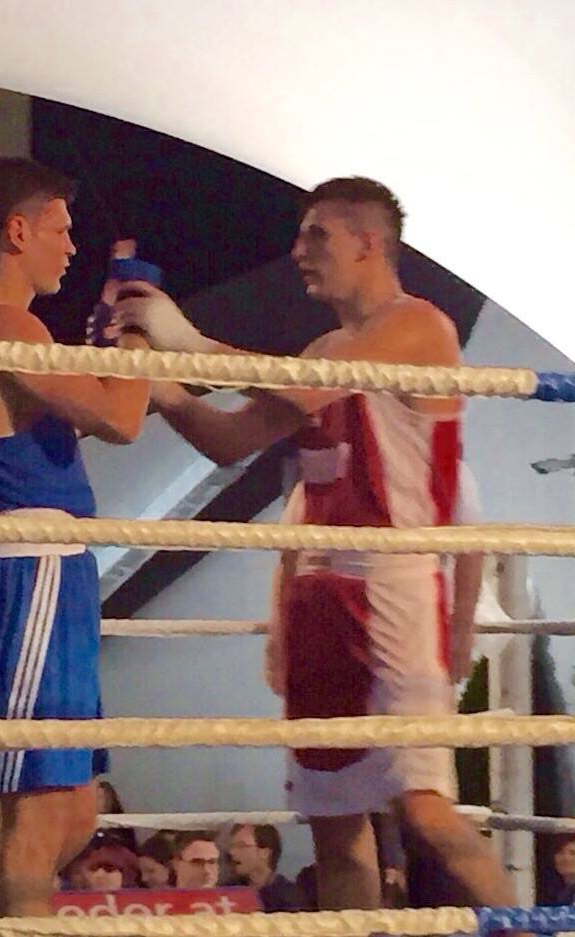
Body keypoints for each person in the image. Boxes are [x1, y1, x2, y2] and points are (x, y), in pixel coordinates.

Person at [114, 176, 516, 911]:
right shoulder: (322, 349)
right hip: (318, 601)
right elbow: (230, 441)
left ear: (368, 243)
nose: (299, 251)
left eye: (317, 235)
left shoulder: (418, 326)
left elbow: (308, 391)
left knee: (424, 808)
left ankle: (530, 929)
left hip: (396, 587)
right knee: (333, 821)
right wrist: (158, 381)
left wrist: (192, 343)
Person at [0, 156, 150, 918]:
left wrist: (108, 358)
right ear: (18, 231)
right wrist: (141, 339)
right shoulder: (1, 322)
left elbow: (80, 419)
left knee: (75, 812)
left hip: (51, 574)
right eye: (60, 230)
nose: (71, 246)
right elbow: (121, 418)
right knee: (34, 820)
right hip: (29, 573)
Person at [227, 823, 303, 911]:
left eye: (241, 846)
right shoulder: (229, 890)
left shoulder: (287, 895)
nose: (232, 852)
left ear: (265, 853)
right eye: (232, 846)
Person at [95, 777, 138, 852]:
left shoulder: (122, 823)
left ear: (109, 799)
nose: (96, 801)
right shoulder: (87, 822)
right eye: (94, 798)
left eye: (100, 797)